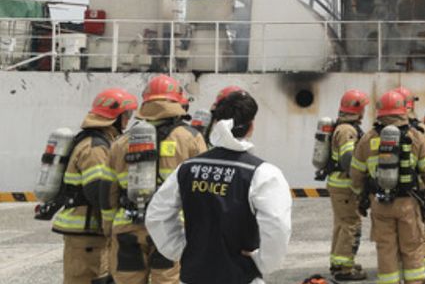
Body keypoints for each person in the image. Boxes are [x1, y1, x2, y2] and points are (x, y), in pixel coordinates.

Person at [146, 88, 292, 284]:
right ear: (251, 126)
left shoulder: (187, 168)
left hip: (193, 277)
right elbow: (277, 226)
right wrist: (263, 261)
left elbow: (157, 215)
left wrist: (181, 250)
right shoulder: (262, 173)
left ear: (216, 123)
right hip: (241, 277)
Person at [101, 75, 207, 284]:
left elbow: (107, 192)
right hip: (170, 227)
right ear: (176, 102)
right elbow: (202, 190)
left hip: (127, 226)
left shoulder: (122, 141)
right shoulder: (191, 138)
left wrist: (108, 228)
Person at [351, 90, 425, 284]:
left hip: (380, 204)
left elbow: (356, 174)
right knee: (412, 248)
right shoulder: (416, 136)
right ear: (403, 110)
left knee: (386, 249)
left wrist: (360, 197)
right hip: (408, 203)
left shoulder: (367, 139)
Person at [52, 88, 137, 284]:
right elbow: (98, 192)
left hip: (89, 233)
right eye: (126, 114)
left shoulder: (99, 141)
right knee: (84, 279)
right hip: (86, 235)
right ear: (115, 117)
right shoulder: (95, 148)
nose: (128, 120)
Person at [395, 86, 425, 270]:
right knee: (421, 227)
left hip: (389, 189)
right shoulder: (420, 129)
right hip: (417, 188)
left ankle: (399, 264)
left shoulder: (380, 130)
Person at [326, 90, 370, 280]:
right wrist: (361, 178)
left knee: (341, 224)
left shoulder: (342, 127)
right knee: (351, 224)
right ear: (358, 109)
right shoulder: (348, 131)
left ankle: (338, 262)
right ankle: (345, 269)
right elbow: (347, 160)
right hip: (345, 186)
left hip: (338, 184)